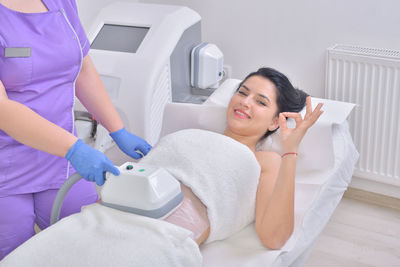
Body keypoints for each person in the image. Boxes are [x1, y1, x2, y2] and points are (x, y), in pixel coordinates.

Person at [0, 0, 151, 260]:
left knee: (95, 242)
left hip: (59, 161)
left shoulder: (60, 3)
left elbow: (83, 69)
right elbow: (3, 110)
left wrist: (118, 129)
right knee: (16, 256)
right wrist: (74, 149)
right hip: (7, 169)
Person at [161, 67, 323, 249]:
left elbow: (275, 238)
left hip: (163, 237)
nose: (245, 102)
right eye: (242, 93)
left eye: (261, 102)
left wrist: (290, 150)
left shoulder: (263, 160)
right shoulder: (191, 136)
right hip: (125, 206)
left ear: (274, 122)